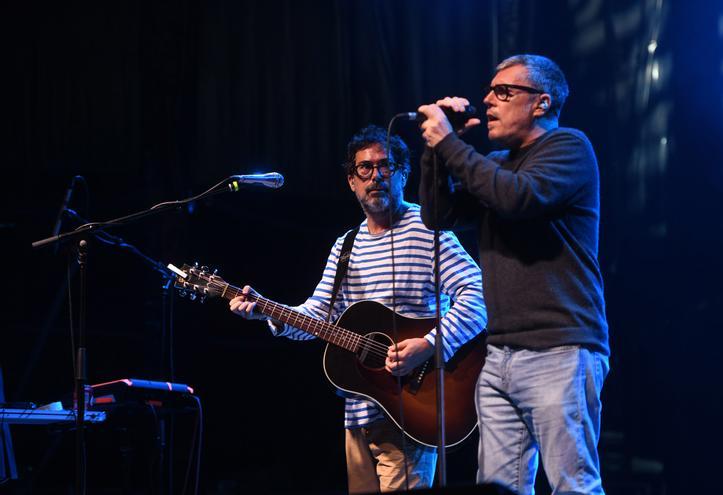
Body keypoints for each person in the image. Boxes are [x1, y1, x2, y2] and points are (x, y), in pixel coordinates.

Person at [228, 125, 487, 493]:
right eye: (364, 169)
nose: (376, 176)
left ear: (403, 173)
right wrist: (267, 311)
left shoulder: (430, 229)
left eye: (386, 166)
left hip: (416, 407)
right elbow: (318, 316)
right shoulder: (345, 245)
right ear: (351, 180)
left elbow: (478, 294)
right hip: (360, 410)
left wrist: (429, 344)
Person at [417, 54, 610, 494]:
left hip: (559, 347)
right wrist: (435, 153)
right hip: (500, 354)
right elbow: (438, 215)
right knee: (498, 487)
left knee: (572, 486)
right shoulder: (498, 162)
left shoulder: (569, 147)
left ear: (540, 103)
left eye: (503, 91)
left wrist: (452, 146)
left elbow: (517, 199)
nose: (488, 101)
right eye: (489, 91)